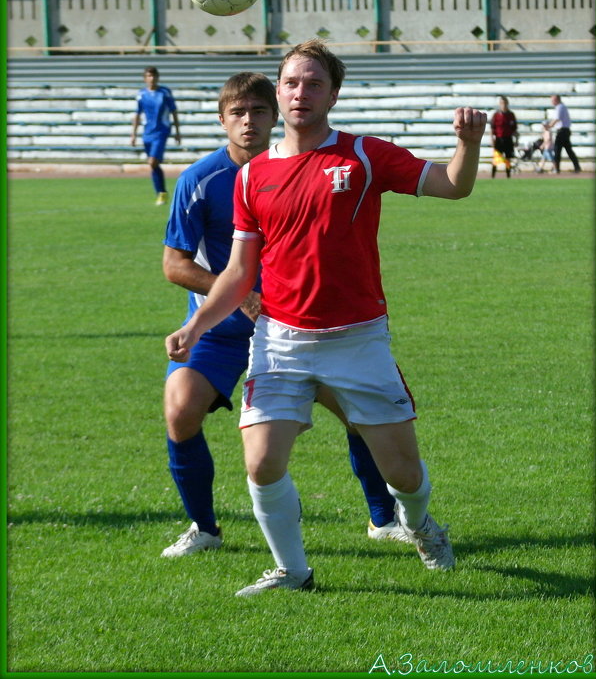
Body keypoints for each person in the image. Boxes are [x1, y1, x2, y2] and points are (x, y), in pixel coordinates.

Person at [166, 40, 487, 597]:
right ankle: (293, 571)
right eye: (292, 82)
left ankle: (420, 526)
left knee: (403, 476)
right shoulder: (252, 177)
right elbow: (240, 271)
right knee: (262, 462)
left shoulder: (363, 155)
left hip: (357, 341)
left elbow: (453, 186)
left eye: (314, 83)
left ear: (333, 95)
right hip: (280, 340)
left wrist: (469, 144)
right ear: (279, 91)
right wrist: (196, 326)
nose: (300, 93)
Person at [161, 71, 409, 559]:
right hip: (223, 331)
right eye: (237, 113)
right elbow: (175, 264)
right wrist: (236, 298)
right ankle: (204, 528)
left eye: (257, 112)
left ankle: (383, 520)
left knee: (360, 418)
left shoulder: (300, 167)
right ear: (222, 120)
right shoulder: (200, 179)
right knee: (180, 412)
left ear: (275, 116)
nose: (248, 122)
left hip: (297, 329)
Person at [131, 66, 181, 205]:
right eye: (149, 76)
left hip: (162, 131)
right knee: (153, 165)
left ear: (157, 77)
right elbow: (137, 114)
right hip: (147, 133)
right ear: (145, 78)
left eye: (154, 76)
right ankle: (162, 193)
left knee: (152, 162)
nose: (152, 78)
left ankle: (161, 193)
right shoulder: (141, 94)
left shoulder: (165, 92)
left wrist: (177, 132)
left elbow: (174, 112)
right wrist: (133, 134)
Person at [544, 94, 581, 173]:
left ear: (557, 100)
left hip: (562, 131)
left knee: (557, 150)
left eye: (553, 100)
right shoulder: (562, 107)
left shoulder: (560, 107)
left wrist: (549, 126)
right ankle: (577, 167)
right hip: (565, 131)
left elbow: (557, 119)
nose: (552, 102)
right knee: (568, 150)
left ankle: (556, 168)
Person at [489, 95, 517, 179]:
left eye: (504, 103)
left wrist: (516, 139)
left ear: (507, 103)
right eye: (501, 103)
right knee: (496, 158)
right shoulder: (496, 115)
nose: (503, 105)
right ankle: (493, 176)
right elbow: (492, 128)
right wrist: (491, 139)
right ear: (500, 104)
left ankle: (508, 176)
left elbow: (514, 129)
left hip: (508, 138)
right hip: (499, 139)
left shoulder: (511, 115)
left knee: (508, 158)